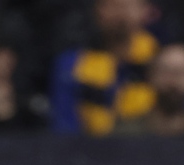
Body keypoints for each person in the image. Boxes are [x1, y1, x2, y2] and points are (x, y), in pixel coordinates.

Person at [51, 0, 159, 135]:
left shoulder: (159, 59)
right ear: (97, 10)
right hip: (88, 148)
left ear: (146, 11)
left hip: (149, 146)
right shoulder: (73, 63)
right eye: (113, 6)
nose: (121, 14)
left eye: (129, 6)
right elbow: (64, 124)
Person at [117, 42, 184, 135]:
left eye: (183, 73)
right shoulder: (125, 135)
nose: (173, 82)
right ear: (150, 76)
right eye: (166, 71)